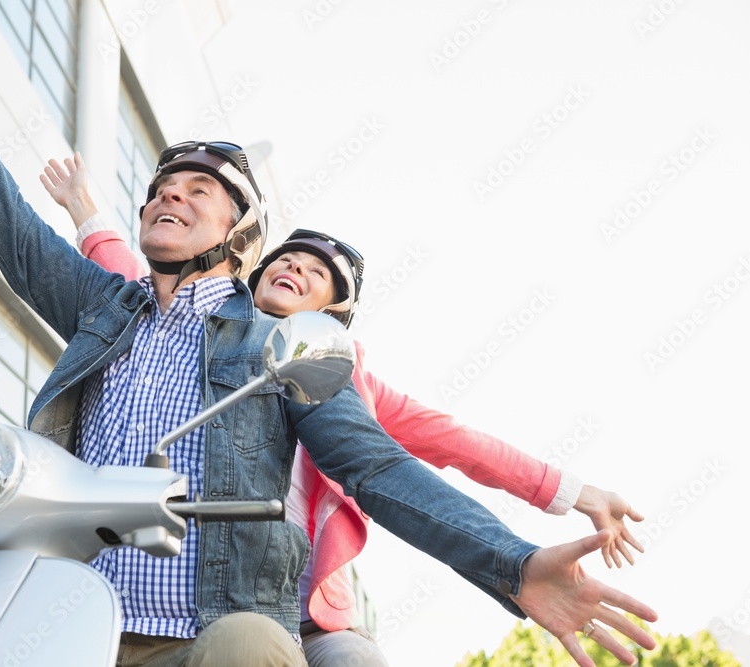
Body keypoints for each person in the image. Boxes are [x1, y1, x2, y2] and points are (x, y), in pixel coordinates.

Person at [0, 3, 657, 666]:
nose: (167, 197)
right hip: (60, 620)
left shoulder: (278, 345)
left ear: (241, 230)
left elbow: (378, 464)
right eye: (159, 187)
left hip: (207, 630)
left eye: (196, 189)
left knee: (253, 645)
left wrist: (509, 563)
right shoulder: (101, 305)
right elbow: (1, 217)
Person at [40, 154, 647, 666]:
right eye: (285, 260)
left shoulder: (344, 374)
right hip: (195, 598)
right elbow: (128, 276)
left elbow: (452, 445)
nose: (293, 269)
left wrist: (572, 492)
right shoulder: (190, 327)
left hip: (306, 613)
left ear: (330, 315)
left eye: (315, 273)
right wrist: (83, 208)